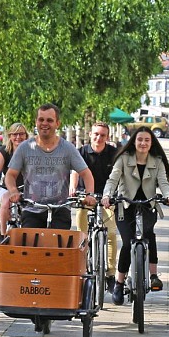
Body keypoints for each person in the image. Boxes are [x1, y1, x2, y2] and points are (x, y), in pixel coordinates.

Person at [102, 126, 169, 305]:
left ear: (152, 143)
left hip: (147, 205)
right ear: (134, 142)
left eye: (147, 140)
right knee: (128, 242)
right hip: (125, 206)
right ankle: (120, 284)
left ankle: (153, 275)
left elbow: (163, 182)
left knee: (149, 234)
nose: (143, 143)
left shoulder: (156, 161)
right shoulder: (123, 159)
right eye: (140, 140)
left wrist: (168, 196)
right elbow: (112, 180)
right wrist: (107, 195)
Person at [4, 103, 96, 229]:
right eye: (41, 119)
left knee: (59, 245)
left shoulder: (67, 148)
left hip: (60, 208)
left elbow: (86, 174)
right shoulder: (25, 148)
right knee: (31, 244)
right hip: (32, 208)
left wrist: (89, 194)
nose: (44, 123)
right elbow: (10, 175)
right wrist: (13, 191)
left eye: (49, 120)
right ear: (36, 122)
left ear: (57, 123)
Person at [69, 121, 119, 291]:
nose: (99, 137)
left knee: (111, 233)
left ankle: (111, 274)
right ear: (90, 134)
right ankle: (81, 268)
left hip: (106, 198)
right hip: (85, 198)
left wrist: (114, 195)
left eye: (103, 135)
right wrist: (73, 188)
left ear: (108, 137)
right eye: (96, 134)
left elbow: (118, 174)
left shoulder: (113, 153)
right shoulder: (82, 151)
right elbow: (75, 172)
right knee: (81, 235)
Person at [0, 122, 29, 236]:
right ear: (10, 136)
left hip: (27, 187)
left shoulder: (31, 150)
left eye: (21, 134)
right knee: (5, 203)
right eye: (14, 134)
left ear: (26, 136)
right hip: (8, 187)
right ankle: (2, 234)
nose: (18, 137)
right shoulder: (5, 151)